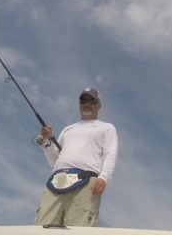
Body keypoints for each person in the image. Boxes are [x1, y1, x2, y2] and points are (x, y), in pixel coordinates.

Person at [34, 87, 118, 227]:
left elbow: (110, 153)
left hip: (86, 182)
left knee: (79, 230)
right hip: (57, 180)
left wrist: (104, 177)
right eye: (83, 100)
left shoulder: (107, 128)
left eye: (91, 100)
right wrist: (46, 141)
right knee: (42, 227)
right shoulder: (68, 129)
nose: (87, 104)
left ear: (99, 105)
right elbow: (55, 160)